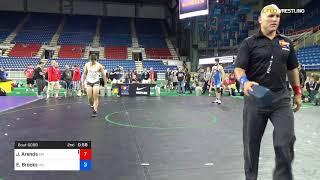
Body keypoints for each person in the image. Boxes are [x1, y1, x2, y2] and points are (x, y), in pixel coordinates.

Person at [234, 4, 302, 180]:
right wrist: (245, 82)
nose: (275, 19)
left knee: (285, 141)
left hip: (280, 98)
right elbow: (239, 69)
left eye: (278, 16)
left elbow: (293, 69)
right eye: (270, 16)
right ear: (260, 19)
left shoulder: (286, 42)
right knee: (251, 146)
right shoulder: (249, 43)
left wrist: (298, 93)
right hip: (256, 98)